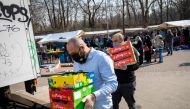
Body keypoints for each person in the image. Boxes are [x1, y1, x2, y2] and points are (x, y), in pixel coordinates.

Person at [66, 38, 118, 109]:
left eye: (74, 54)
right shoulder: (76, 61)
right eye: (71, 55)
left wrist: (93, 96)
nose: (74, 58)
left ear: (81, 47)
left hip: (102, 106)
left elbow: (113, 84)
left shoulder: (101, 58)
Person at [111, 33, 140, 109]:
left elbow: (137, 64)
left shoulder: (131, 49)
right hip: (115, 83)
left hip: (128, 83)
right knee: (113, 104)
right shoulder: (113, 51)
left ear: (121, 39)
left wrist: (127, 67)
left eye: (115, 41)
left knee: (131, 104)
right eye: (113, 41)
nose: (114, 43)